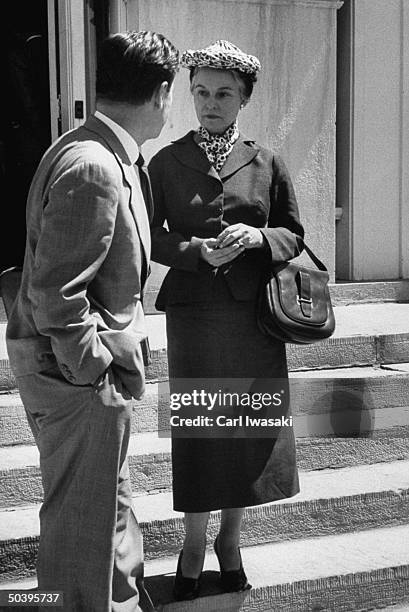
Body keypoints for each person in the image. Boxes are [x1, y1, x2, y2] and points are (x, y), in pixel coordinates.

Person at [6, 31, 179, 612]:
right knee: (83, 531)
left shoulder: (91, 149)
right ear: (161, 93)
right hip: (78, 381)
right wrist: (95, 370)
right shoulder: (93, 166)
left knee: (107, 514)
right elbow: (55, 292)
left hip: (87, 378)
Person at [148, 40, 305, 601]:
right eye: (200, 92)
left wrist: (258, 237)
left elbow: (294, 234)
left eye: (222, 94)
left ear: (242, 100)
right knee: (201, 431)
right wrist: (195, 250)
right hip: (194, 317)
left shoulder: (267, 162)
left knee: (245, 431)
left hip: (253, 320)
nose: (209, 103)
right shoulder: (165, 162)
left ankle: (230, 542)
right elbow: (151, 238)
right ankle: (193, 544)